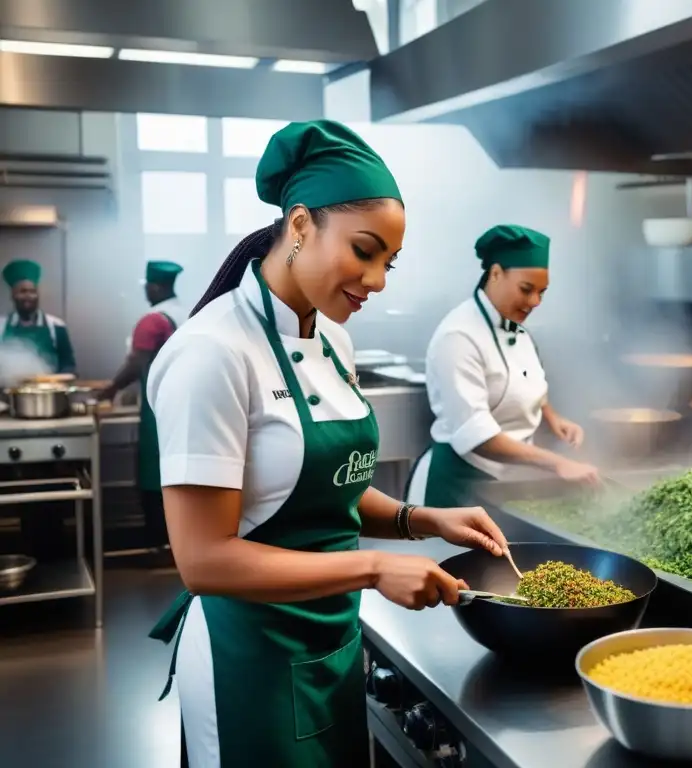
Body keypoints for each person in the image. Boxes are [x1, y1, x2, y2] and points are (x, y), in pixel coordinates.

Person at [146, 120, 509, 768]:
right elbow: (204, 561)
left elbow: (319, 483)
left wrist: (419, 519)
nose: (377, 280)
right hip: (248, 657)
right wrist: (373, 568)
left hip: (333, 641)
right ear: (301, 223)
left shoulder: (333, 340)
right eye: (364, 251)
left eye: (388, 263)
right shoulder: (212, 353)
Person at [406, 224, 600, 509]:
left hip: (506, 485)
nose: (535, 302)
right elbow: (477, 435)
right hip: (457, 485)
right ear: (496, 273)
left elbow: (526, 381)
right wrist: (559, 464)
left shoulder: (517, 329)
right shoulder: (459, 337)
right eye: (526, 289)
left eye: (542, 292)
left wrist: (553, 417)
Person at [99, 261, 186, 557]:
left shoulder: (152, 320)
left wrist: (109, 390)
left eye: (147, 286)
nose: (146, 291)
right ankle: (182, 541)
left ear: (156, 286)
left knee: (154, 475)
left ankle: (158, 544)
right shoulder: (185, 311)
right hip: (184, 404)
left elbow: (136, 363)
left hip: (157, 409)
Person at [0, 259, 76, 374]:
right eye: (23, 291)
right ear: (13, 295)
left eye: (33, 291)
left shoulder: (56, 326)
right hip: (10, 389)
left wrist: (65, 377)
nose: (28, 296)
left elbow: (68, 363)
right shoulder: (1, 325)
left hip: (50, 389)